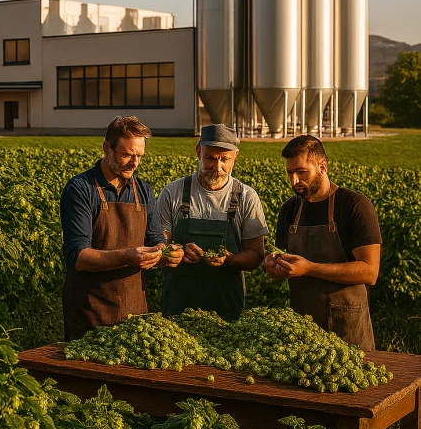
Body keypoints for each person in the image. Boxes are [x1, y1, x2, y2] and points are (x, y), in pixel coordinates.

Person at [60, 115, 184, 341]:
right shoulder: (80, 189)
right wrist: (127, 256)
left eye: (139, 156)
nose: (134, 163)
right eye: (127, 154)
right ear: (107, 148)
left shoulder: (144, 191)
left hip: (134, 313)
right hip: (89, 312)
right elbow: (77, 256)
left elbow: (155, 237)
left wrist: (165, 252)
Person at [264, 135, 381, 350]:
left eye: (301, 172)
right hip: (303, 328)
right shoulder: (290, 210)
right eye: (290, 173)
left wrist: (310, 268)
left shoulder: (354, 205)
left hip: (347, 329)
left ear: (322, 167)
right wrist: (275, 267)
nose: (294, 181)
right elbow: (283, 264)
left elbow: (369, 272)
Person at [156, 124, 268, 321]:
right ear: (199, 151)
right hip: (178, 303)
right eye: (210, 158)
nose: (217, 167)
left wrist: (230, 260)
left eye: (225, 159)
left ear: (235, 156)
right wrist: (174, 252)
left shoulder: (246, 197)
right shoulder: (172, 193)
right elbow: (158, 244)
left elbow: (256, 255)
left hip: (226, 306)